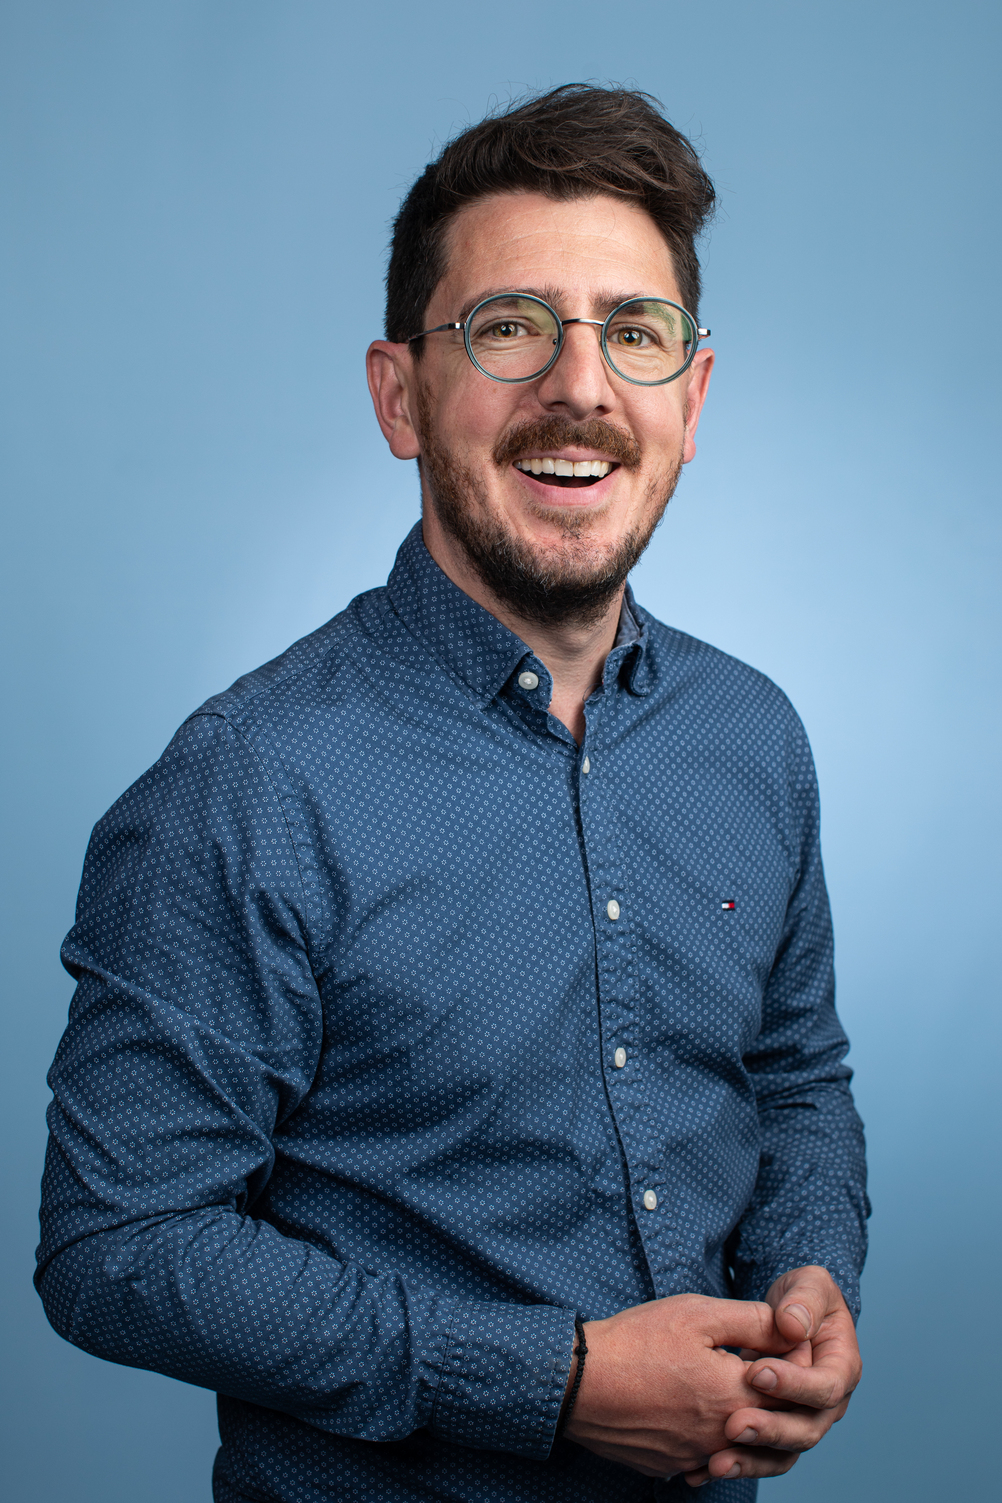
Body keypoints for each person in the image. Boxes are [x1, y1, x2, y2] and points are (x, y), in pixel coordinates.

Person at [36, 85, 868, 1503]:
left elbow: (794, 1084)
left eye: (634, 333)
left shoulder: (752, 737)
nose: (580, 388)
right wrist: (557, 1384)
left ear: (692, 395)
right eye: (508, 328)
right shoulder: (247, 784)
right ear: (400, 394)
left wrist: (809, 1273)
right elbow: (119, 1248)